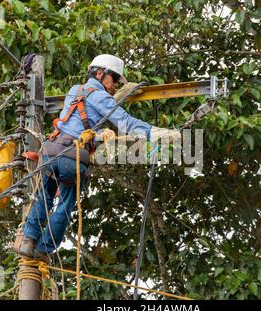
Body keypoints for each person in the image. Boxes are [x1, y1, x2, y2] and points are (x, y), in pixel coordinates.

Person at [15, 54, 180, 259]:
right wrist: (158, 133)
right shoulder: (101, 97)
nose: (116, 85)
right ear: (101, 73)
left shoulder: (74, 90)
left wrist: (117, 97)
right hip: (72, 158)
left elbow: (86, 116)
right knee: (65, 206)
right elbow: (125, 123)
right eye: (115, 80)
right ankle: (42, 249)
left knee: (43, 197)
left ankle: (28, 241)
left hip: (50, 151)